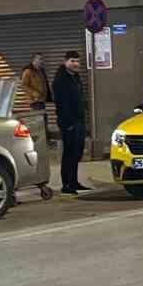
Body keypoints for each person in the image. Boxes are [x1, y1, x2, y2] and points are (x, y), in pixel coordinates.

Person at [52, 50, 86, 194]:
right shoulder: (60, 80)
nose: (75, 64)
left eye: (77, 61)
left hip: (79, 120)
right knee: (69, 153)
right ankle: (66, 184)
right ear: (65, 62)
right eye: (72, 61)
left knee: (77, 152)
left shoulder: (76, 77)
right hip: (68, 122)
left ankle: (74, 181)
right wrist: (68, 123)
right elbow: (61, 104)